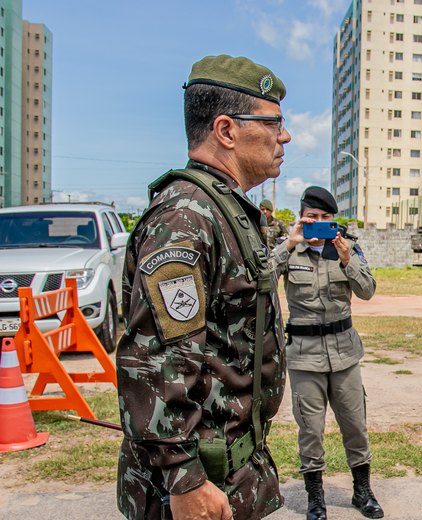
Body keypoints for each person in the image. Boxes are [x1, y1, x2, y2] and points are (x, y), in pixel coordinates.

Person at [116, 55, 292, 520]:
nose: (285, 136)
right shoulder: (186, 216)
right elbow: (156, 360)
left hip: (229, 470)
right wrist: (183, 478)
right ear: (227, 130)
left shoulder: (222, 209)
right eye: (274, 123)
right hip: (195, 484)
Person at [276, 186, 383, 520]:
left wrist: (348, 259)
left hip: (344, 353)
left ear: (334, 220)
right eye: (312, 217)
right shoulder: (290, 252)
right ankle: (315, 498)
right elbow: (260, 281)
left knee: (355, 424)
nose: (318, 223)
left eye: (325, 218)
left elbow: (367, 291)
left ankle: (362, 492)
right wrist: (288, 243)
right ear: (302, 217)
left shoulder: (348, 248)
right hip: (304, 357)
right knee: (310, 429)